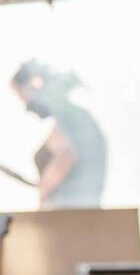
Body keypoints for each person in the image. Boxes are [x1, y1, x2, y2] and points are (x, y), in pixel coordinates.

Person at [10, 60, 106, 209]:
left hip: (69, 218)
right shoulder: (74, 119)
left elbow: (66, 155)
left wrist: (43, 190)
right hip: (80, 217)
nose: (27, 108)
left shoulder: (72, 118)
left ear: (34, 87)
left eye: (25, 100)